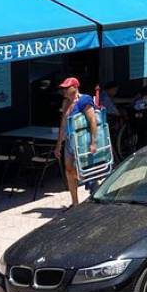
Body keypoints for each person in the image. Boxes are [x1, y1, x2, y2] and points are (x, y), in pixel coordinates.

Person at [55, 77, 98, 207]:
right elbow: (63, 124)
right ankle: (75, 203)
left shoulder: (85, 100)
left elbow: (92, 121)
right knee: (69, 170)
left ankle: (95, 192)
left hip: (82, 141)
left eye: (67, 88)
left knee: (86, 170)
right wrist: (58, 145)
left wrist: (93, 142)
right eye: (63, 88)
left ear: (75, 87)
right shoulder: (66, 102)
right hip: (69, 141)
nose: (64, 91)